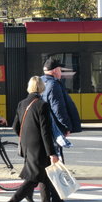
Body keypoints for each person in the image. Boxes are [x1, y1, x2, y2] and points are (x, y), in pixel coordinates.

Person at [9, 76, 59, 202]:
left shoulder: (22, 104)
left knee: (45, 177)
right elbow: (45, 132)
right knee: (33, 179)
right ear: (41, 87)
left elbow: (15, 126)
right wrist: (52, 153)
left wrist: (26, 137)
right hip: (39, 148)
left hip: (27, 146)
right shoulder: (42, 105)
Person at [41, 57, 82, 202]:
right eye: (59, 69)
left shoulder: (40, 82)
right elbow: (59, 109)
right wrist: (66, 127)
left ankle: (46, 196)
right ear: (54, 71)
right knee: (56, 163)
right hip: (54, 131)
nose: (61, 72)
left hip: (43, 129)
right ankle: (57, 197)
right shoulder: (54, 85)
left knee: (46, 164)